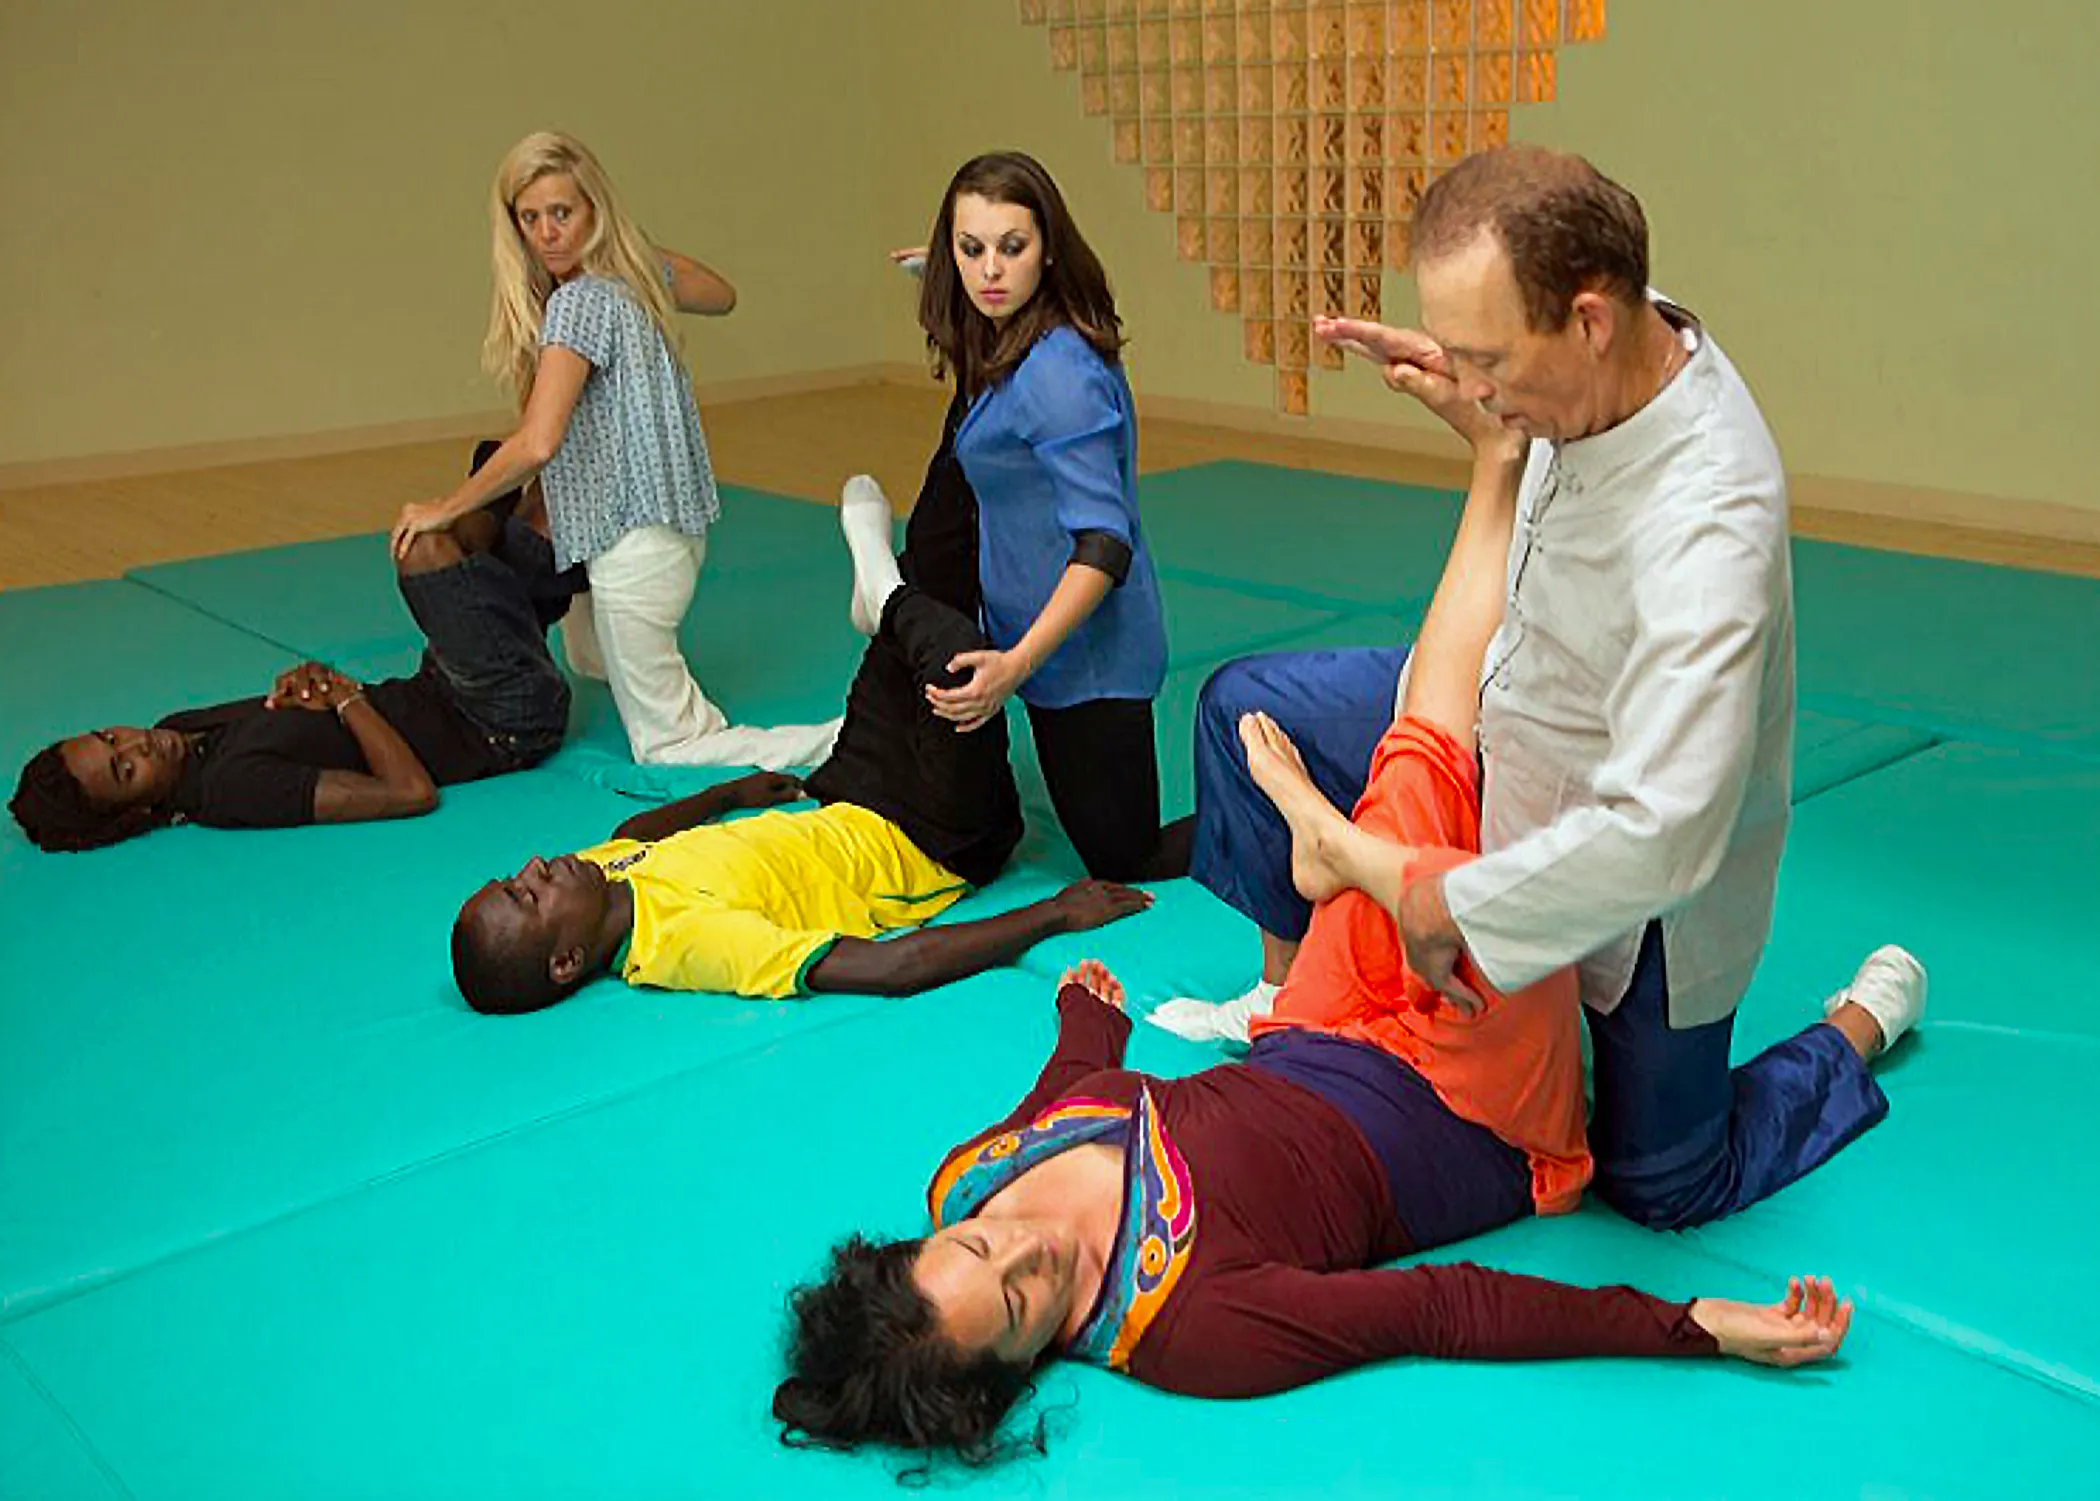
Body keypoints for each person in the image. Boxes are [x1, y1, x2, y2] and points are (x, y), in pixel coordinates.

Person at [768, 459, 1856, 1464]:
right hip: (1465, 1107)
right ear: (1019, 1373)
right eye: (1018, 1305)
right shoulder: (1194, 1331)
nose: (1025, 1252)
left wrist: (1086, 1019)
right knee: (1489, 846)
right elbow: (1440, 1309)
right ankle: (1361, 851)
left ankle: (1498, 463)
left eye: (979, 1248)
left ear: (929, 1239)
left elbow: (1065, 1098)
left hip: (1317, 1025)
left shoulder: (967, 1178)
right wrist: (1693, 1325)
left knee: (1420, 763)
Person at [1149, 144, 1925, 1233]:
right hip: (1503, 716)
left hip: (1637, 871)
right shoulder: (1603, 337)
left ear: (1588, 323)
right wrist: (1477, 380)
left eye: (1487, 359)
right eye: (1458, 350)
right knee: (1247, 711)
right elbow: (1523, 351)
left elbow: (1664, 832)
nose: (1473, 388)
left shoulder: (1710, 525)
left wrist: (1437, 898)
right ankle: (1300, 997)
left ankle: (1857, 1028)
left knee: (1659, 1184)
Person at [449, 458, 1151, 1014]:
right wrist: (1054, 913)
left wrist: (732, 793)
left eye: (514, 877)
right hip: (937, 838)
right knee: (954, 660)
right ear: (567, 961)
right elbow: (892, 966)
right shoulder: (686, 943)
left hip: (847, 790)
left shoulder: (599, 873)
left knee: (936, 555)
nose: (535, 867)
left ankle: (966, 422)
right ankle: (884, 595)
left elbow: (634, 830)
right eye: (528, 896)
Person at [389, 129, 837, 771]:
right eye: (530, 218)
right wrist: (632, 254)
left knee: (668, 745)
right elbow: (721, 294)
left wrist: (445, 507)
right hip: (661, 533)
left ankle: (838, 737)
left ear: (595, 209)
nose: (548, 234)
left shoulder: (576, 303)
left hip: (637, 551)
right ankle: (615, 649)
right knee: (586, 657)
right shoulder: (630, 277)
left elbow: (539, 441)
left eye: (563, 213)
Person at [10, 448, 580, 851]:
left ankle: (533, 537)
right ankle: (520, 523)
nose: (139, 743)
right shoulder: (232, 790)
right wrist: (346, 698)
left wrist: (308, 682)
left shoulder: (179, 729)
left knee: (530, 497)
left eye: (111, 737)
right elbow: (409, 792)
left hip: (445, 680)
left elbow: (307, 722)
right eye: (126, 769)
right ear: (137, 812)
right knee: (427, 547)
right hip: (498, 723)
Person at [902, 151, 1187, 883]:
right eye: (971, 250)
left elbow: (1104, 544)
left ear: (1049, 248)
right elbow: (977, 300)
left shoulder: (1058, 375)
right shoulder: (1005, 330)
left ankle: (1312, 816)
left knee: (1125, 857)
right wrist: (937, 270)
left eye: (1012, 247)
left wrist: (1017, 663)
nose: (990, 271)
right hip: (1038, 641)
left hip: (1087, 658)